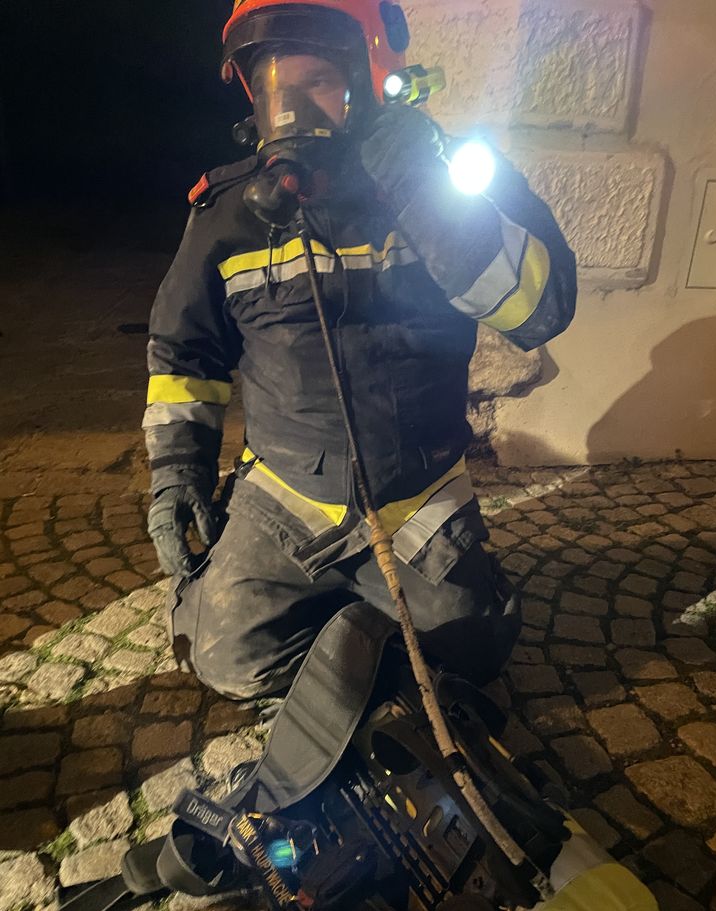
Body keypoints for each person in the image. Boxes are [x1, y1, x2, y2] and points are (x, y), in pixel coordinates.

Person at [144, 0, 577, 703]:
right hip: (285, 497)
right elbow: (183, 354)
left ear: (372, 79)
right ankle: (342, 626)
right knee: (224, 659)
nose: (290, 108)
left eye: (317, 81)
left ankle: (399, 611)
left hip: (417, 496)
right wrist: (176, 473)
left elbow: (538, 310)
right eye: (274, 86)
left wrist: (422, 189)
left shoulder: (458, 183)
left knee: (471, 651)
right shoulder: (228, 211)